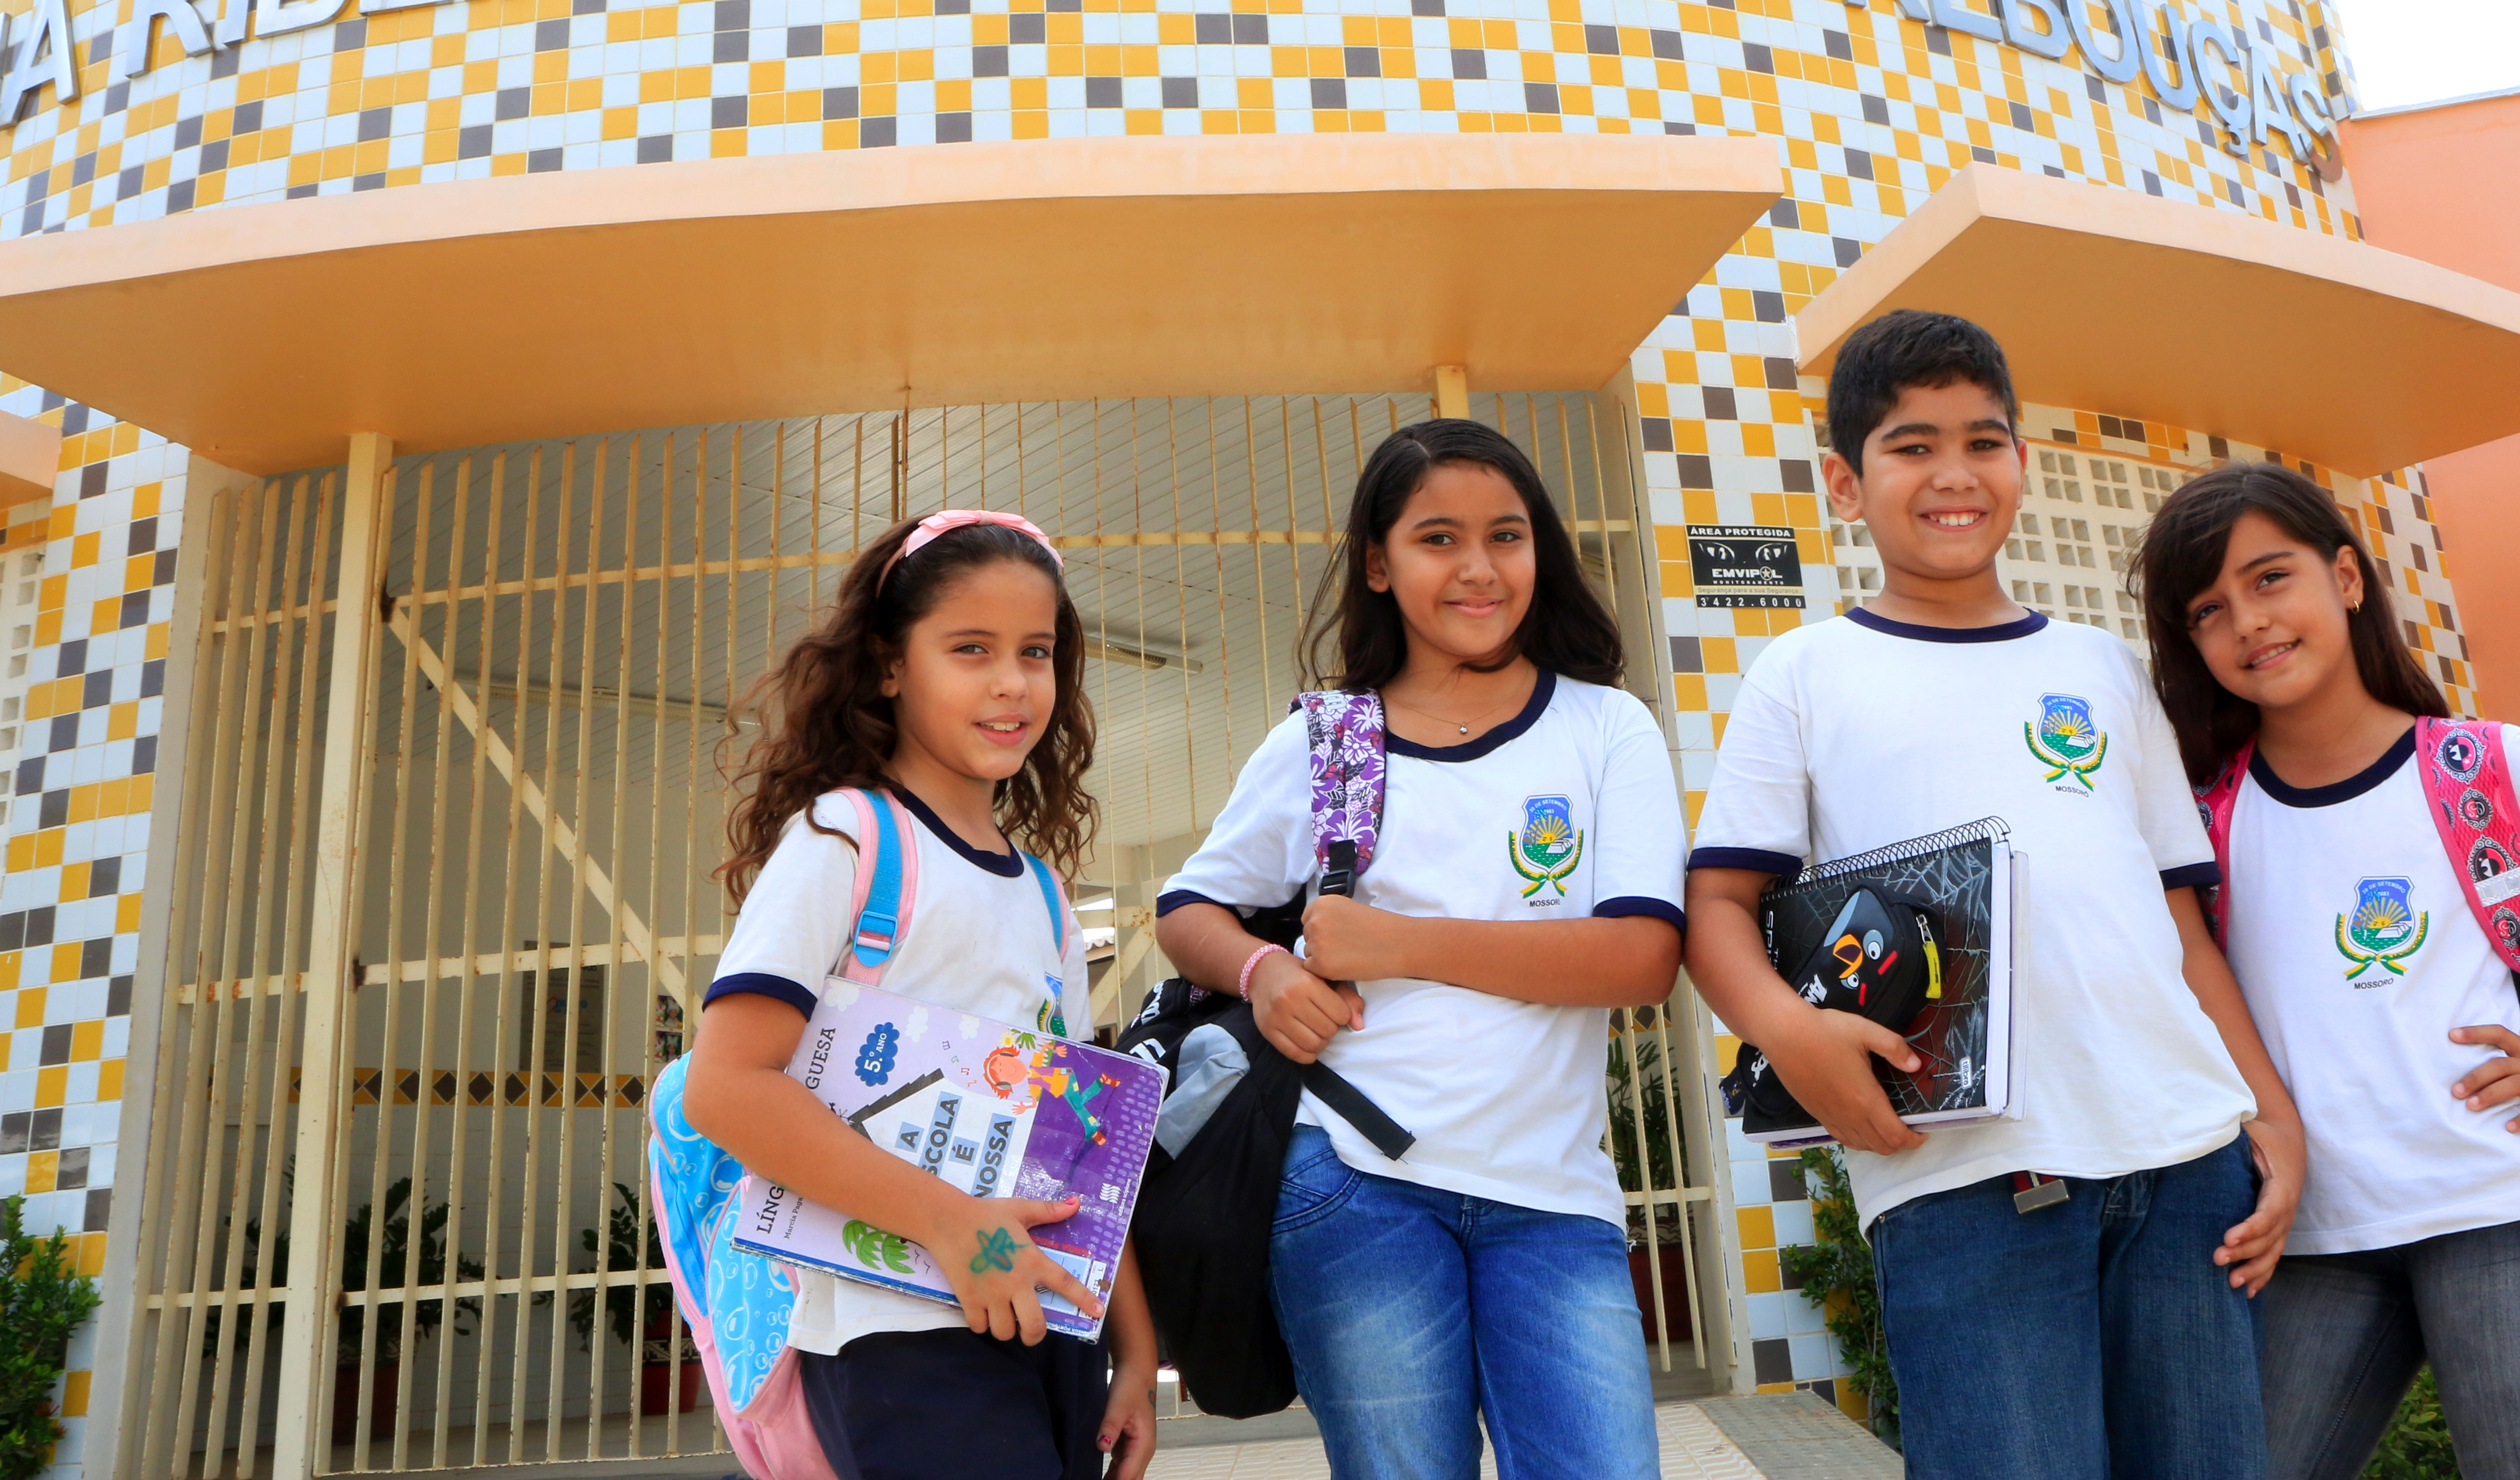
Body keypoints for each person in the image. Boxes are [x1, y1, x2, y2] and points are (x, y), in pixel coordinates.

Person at [1683, 310, 2304, 1480]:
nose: (1954, 475)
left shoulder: (2104, 668)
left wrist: (2265, 1109)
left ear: (2022, 460)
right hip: (1961, 1179)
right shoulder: (1804, 675)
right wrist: (1787, 1030)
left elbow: (2178, 920)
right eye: (1912, 446)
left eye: (1984, 440)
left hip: (2184, 1165)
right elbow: (1719, 908)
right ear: (1844, 483)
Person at [2134, 461, 2520, 1480]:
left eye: (2271, 578)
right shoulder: (2207, 820)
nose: (2247, 621)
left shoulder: (2486, 768)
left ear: (2347, 579)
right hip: (2317, 1240)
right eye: (2208, 608)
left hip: (2514, 1218)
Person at [1153, 419, 1687, 1480]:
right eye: (1438, 538)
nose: (1480, 568)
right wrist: (1264, 974)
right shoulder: (1330, 740)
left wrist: (1396, 943)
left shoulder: (1605, 728)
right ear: (1379, 564)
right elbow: (1189, 910)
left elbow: (1638, 959)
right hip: (1354, 1185)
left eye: (1508, 535)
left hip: (1555, 1199)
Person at [681, 510, 1158, 1480]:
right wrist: (951, 1220)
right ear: (891, 665)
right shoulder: (846, 839)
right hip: (894, 1338)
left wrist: (1135, 1350)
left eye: (1036, 651)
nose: (1012, 682)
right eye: (969, 649)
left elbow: (1084, 1143)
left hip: (1049, 1332)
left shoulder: (1045, 896)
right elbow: (725, 1087)